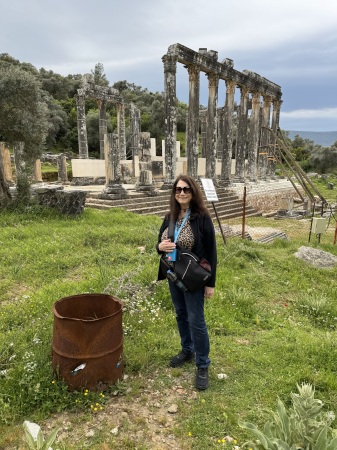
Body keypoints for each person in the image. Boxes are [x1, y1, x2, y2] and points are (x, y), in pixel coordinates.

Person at [156, 174, 217, 390]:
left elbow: (211, 252)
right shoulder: (169, 216)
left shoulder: (202, 218)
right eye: (178, 189)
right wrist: (159, 248)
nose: (181, 193)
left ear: (193, 193)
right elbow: (160, 243)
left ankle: (203, 364)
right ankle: (187, 350)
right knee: (181, 314)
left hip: (193, 278)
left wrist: (211, 284)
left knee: (196, 320)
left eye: (186, 189)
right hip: (173, 275)